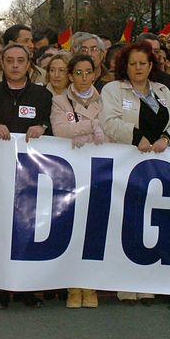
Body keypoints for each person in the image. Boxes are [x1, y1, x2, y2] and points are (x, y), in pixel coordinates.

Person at [101, 41, 170, 306]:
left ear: (151, 66)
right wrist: (137, 137)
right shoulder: (113, 89)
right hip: (125, 163)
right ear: (125, 66)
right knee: (125, 222)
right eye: (133, 63)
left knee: (151, 222)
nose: (138, 68)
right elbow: (109, 121)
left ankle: (146, 283)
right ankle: (125, 285)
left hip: (157, 166)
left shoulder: (162, 90)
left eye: (143, 63)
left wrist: (167, 139)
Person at [0, 43, 53, 310]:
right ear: (2, 64)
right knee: (1, 228)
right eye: (10, 60)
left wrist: (43, 126)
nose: (15, 65)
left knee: (28, 228)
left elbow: (51, 123)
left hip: (32, 172)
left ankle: (27, 288)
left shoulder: (42, 95)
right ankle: (1, 289)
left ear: (29, 65)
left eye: (20, 60)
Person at [50, 53, 104, 309]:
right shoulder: (60, 100)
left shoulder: (106, 98)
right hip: (69, 173)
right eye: (78, 73)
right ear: (70, 76)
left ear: (95, 74)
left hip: (98, 172)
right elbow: (60, 130)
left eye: (88, 72)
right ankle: (73, 285)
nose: (83, 77)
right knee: (71, 225)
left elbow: (113, 128)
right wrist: (93, 127)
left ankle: (90, 284)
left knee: (94, 226)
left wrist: (89, 127)